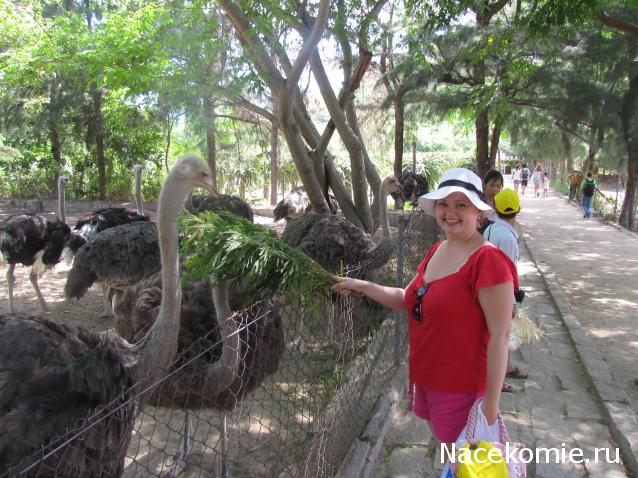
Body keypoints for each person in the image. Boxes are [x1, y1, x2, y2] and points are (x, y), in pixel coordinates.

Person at [332, 168, 517, 446]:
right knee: (450, 458)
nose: (450, 212)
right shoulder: (438, 250)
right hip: (427, 381)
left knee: (464, 465)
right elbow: (408, 299)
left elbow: (500, 336)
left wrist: (490, 406)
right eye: (444, 204)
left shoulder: (488, 261)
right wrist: (361, 286)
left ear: (478, 212)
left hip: (461, 390)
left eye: (460, 205)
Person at [482, 189, 528, 392]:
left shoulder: (491, 230)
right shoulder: (508, 238)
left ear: (496, 210)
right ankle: (497, 379)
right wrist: (510, 300)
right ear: (517, 210)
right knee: (500, 336)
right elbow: (507, 272)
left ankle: (504, 369)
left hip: (489, 289)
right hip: (500, 293)